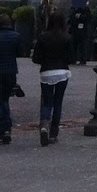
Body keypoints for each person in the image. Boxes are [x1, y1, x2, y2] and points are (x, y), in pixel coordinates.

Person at [32, 12, 73, 146]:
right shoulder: (67, 37)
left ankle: (44, 124)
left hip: (47, 71)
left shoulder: (43, 37)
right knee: (58, 102)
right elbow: (72, 58)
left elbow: (36, 58)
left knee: (47, 101)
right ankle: (54, 133)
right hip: (62, 71)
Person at [0, 11, 25, 146]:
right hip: (10, 72)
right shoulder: (16, 36)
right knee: (5, 100)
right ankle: (7, 128)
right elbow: (20, 52)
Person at [69, 0, 94, 66]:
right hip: (75, 30)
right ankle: (73, 59)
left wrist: (80, 17)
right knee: (74, 45)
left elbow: (88, 18)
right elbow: (71, 18)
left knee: (82, 46)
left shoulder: (85, 9)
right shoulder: (74, 9)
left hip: (83, 30)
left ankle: (83, 59)